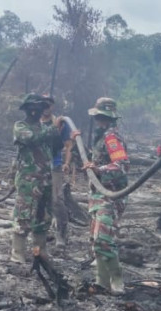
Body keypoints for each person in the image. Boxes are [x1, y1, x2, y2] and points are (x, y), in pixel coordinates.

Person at [75, 97, 130, 294]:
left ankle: (117, 281)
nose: (97, 121)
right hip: (98, 194)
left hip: (110, 195)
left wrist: (99, 169)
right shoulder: (100, 137)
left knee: (103, 238)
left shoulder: (111, 138)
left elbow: (121, 166)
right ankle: (101, 281)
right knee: (96, 239)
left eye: (100, 117)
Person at [11, 93, 62, 263]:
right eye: (34, 108)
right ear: (27, 109)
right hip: (28, 181)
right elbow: (32, 139)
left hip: (45, 179)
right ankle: (18, 253)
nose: (37, 111)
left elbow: (56, 148)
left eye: (40, 108)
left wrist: (57, 133)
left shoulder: (45, 128)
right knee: (23, 215)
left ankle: (40, 251)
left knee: (43, 217)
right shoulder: (20, 126)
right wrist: (52, 129)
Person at [40, 95, 74, 247]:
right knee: (39, 198)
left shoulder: (61, 123)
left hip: (55, 165)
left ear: (52, 106)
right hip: (38, 167)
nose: (46, 107)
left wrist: (66, 163)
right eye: (43, 104)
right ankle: (42, 231)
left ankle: (61, 232)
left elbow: (68, 145)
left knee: (57, 199)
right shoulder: (34, 123)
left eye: (48, 104)